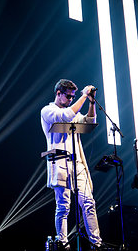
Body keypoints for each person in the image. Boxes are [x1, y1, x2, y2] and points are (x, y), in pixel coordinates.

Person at [41, 79, 102, 250]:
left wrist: (90, 102)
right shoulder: (48, 110)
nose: (70, 99)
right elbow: (64, 116)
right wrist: (83, 96)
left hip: (78, 163)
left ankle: (96, 243)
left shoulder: (73, 111)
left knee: (88, 202)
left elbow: (89, 122)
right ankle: (62, 242)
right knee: (63, 206)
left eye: (72, 97)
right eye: (68, 96)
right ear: (58, 93)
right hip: (60, 163)